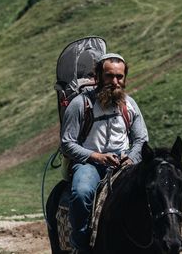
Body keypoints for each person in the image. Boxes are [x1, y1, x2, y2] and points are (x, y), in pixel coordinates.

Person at [60, 53, 148, 254]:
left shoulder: (130, 105)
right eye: (109, 76)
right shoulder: (80, 104)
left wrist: (132, 157)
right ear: (98, 76)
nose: (115, 82)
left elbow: (141, 140)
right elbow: (67, 143)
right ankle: (81, 246)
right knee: (81, 193)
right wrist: (96, 156)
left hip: (125, 163)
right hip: (90, 164)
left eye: (119, 76)